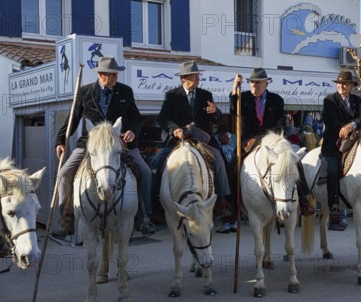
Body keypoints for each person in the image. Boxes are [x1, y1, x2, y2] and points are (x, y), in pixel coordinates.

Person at [53, 57, 152, 238]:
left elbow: (137, 118)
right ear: (101, 75)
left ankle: (145, 218)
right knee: (63, 174)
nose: (115, 76)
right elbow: (72, 120)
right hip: (90, 144)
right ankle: (66, 220)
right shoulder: (84, 92)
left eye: (116, 73)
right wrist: (60, 141)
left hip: (119, 143)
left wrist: (132, 131)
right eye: (111, 74)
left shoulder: (125, 91)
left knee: (145, 172)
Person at [153, 61, 232, 231]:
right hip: (179, 139)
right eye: (194, 76)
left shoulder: (206, 94)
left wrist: (215, 112)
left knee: (219, 159)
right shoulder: (172, 95)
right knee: (158, 161)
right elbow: (162, 118)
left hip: (202, 139)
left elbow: (216, 120)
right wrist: (174, 129)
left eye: (198, 75)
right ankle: (157, 205)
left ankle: (224, 201)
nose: (198, 78)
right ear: (184, 79)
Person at [230, 68, 315, 217]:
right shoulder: (242, 97)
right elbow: (233, 110)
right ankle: (232, 204)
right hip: (249, 139)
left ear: (266, 84)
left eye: (257, 83)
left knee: (294, 161)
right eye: (252, 83)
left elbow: (281, 121)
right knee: (233, 163)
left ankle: (304, 200)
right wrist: (234, 89)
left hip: (272, 140)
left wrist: (271, 137)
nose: (254, 86)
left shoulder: (276, 100)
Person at [321, 70, 361, 231]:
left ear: (351, 86)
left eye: (345, 84)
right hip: (333, 144)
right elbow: (329, 119)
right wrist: (344, 127)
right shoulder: (329, 100)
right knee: (333, 170)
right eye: (339, 84)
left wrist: (352, 125)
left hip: (353, 140)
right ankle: (334, 210)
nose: (341, 86)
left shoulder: (357, 100)